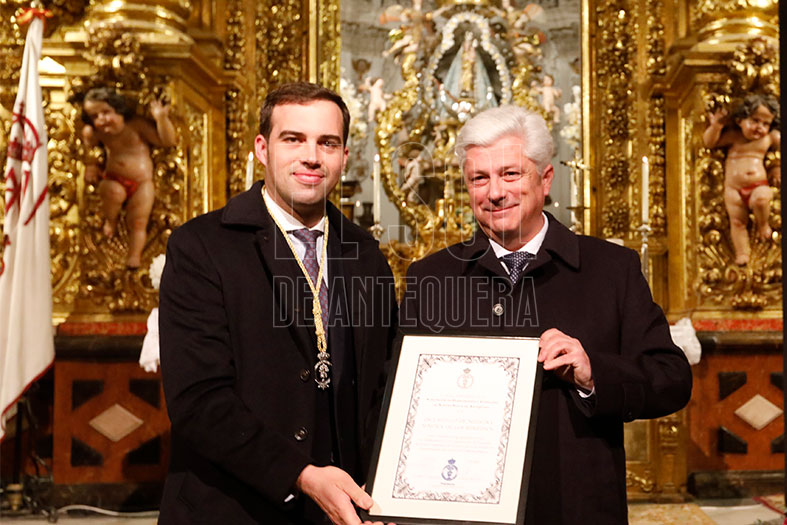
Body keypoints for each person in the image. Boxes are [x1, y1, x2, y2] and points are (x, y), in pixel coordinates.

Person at [399, 105, 692, 524]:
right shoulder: (432, 277)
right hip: (461, 510)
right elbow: (397, 400)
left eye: (510, 174)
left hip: (576, 507)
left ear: (546, 179)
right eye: (479, 178)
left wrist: (593, 374)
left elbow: (672, 378)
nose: (494, 192)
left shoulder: (611, 269)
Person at [158, 82, 398, 524]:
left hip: (344, 511)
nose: (312, 156)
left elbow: (384, 387)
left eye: (328, 143)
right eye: (294, 139)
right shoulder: (202, 247)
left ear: (345, 157)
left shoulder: (365, 254)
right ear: (262, 149)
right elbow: (198, 401)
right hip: (233, 510)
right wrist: (300, 475)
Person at [80, 87, 177, 268]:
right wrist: (91, 165)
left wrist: (161, 118)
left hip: (142, 183)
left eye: (106, 112)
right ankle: (111, 220)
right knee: (112, 192)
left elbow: (167, 141)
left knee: (139, 221)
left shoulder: (136, 126)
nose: (101, 119)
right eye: (94, 116)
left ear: (118, 109)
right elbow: (88, 149)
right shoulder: (99, 133)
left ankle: (134, 255)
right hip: (113, 178)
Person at [703, 93, 780, 265]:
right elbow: (709, 143)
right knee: (737, 222)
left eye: (765, 124)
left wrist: (776, 168)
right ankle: (742, 253)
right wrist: (716, 126)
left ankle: (763, 224)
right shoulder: (734, 137)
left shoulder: (770, 138)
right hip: (733, 189)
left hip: (758, 184)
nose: (759, 127)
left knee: (761, 200)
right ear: (739, 120)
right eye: (755, 121)